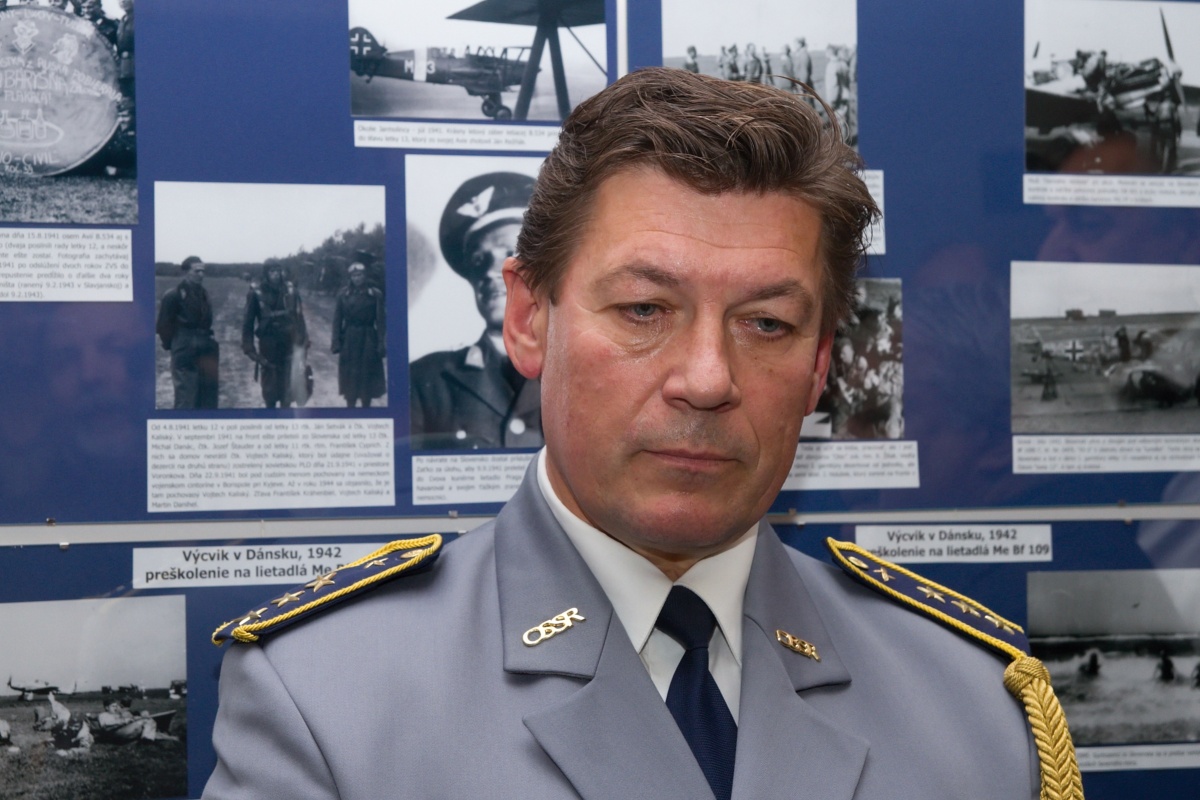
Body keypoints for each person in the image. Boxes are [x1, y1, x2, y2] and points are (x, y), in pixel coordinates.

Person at [205, 69, 1080, 800]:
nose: (707, 378)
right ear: (528, 319)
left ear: (820, 365)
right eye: (643, 309)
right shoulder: (326, 701)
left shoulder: (971, 702)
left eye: (768, 324)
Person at [408, 171, 543, 449]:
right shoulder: (425, 380)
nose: (490, 271)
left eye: (510, 253)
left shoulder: (588, 371)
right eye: (479, 260)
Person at [242, 261, 309, 408]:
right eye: (272, 272)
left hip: (288, 341)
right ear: (266, 274)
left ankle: (285, 413)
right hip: (268, 344)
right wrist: (249, 347)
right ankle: (270, 412)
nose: (276, 275)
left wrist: (303, 342)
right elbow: (248, 323)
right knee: (270, 388)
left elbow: (299, 318)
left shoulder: (291, 291)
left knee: (287, 387)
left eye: (278, 271)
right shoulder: (256, 293)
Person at [156, 256, 218, 409]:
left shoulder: (204, 294)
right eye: (196, 271)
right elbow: (163, 326)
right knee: (186, 397)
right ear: (186, 272)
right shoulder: (174, 295)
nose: (201, 274)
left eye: (203, 271)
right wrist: (175, 344)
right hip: (184, 344)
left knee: (207, 397)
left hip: (205, 344)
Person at [331, 262, 386, 408]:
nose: (357, 278)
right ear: (350, 277)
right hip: (349, 338)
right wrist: (336, 341)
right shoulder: (343, 294)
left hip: (368, 338)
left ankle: (366, 407)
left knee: (367, 377)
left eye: (360, 275)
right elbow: (337, 320)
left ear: (365, 276)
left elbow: (381, 321)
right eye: (354, 275)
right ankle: (351, 407)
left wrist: (381, 342)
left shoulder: (375, 294)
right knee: (350, 377)